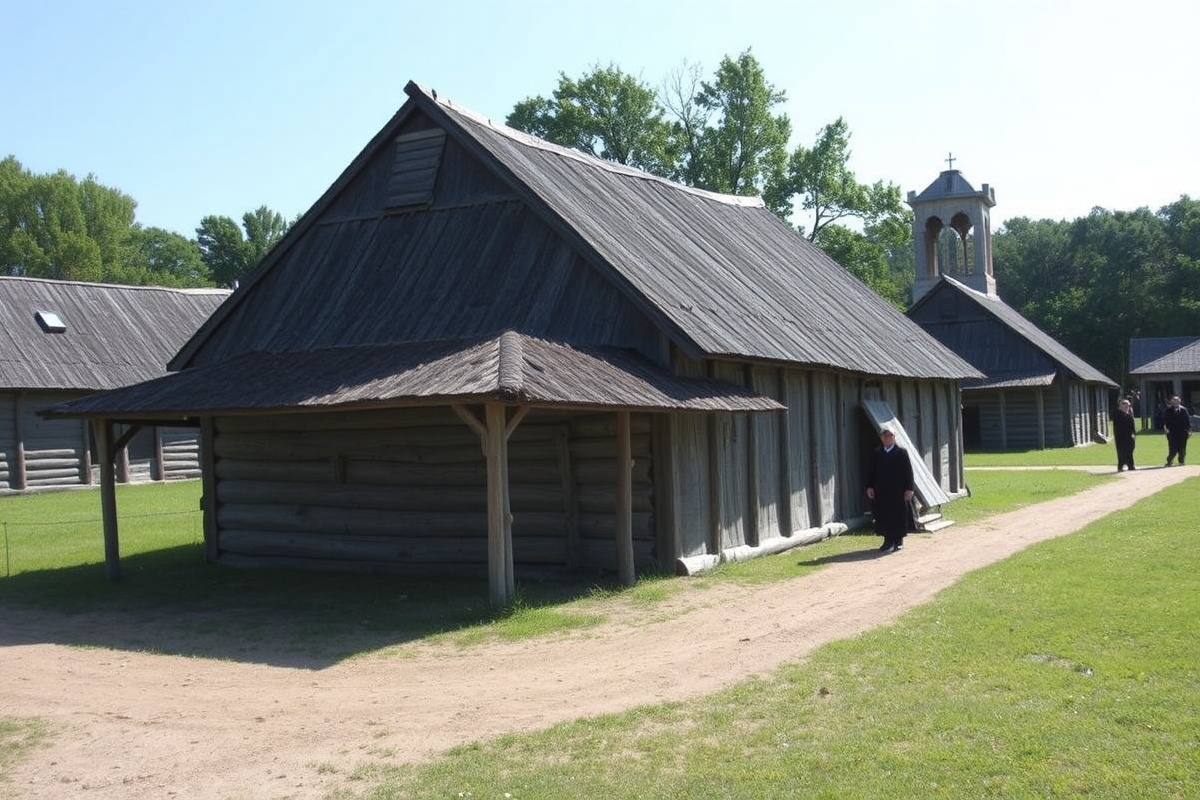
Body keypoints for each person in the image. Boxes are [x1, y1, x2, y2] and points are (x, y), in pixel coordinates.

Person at [866, 427, 915, 554]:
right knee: (884, 515)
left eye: (891, 436)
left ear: (894, 437)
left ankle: (898, 541)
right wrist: (870, 487)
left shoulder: (901, 452)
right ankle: (888, 540)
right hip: (882, 491)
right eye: (886, 436)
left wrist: (909, 489)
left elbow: (908, 472)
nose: (889, 438)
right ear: (882, 438)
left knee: (898, 515)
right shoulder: (878, 453)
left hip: (898, 491)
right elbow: (871, 471)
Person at [1162, 395, 1191, 466]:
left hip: (1183, 432)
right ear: (1172, 402)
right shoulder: (1168, 410)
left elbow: (1187, 421)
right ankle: (1169, 461)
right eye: (1174, 401)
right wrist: (1166, 429)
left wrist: (1189, 431)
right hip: (1172, 432)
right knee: (1172, 448)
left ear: (1180, 402)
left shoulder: (1184, 410)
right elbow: (1165, 421)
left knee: (1182, 448)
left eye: (1177, 401)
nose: (1176, 402)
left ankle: (1181, 461)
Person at [1112, 398, 1136, 471]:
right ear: (1121, 406)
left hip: (1130, 437)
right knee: (1121, 452)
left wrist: (1133, 434)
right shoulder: (1117, 414)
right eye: (1125, 406)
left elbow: (1132, 427)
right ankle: (1120, 466)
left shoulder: (1129, 416)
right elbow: (1116, 423)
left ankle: (1130, 465)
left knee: (1130, 450)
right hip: (1120, 437)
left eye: (1128, 406)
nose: (1127, 407)